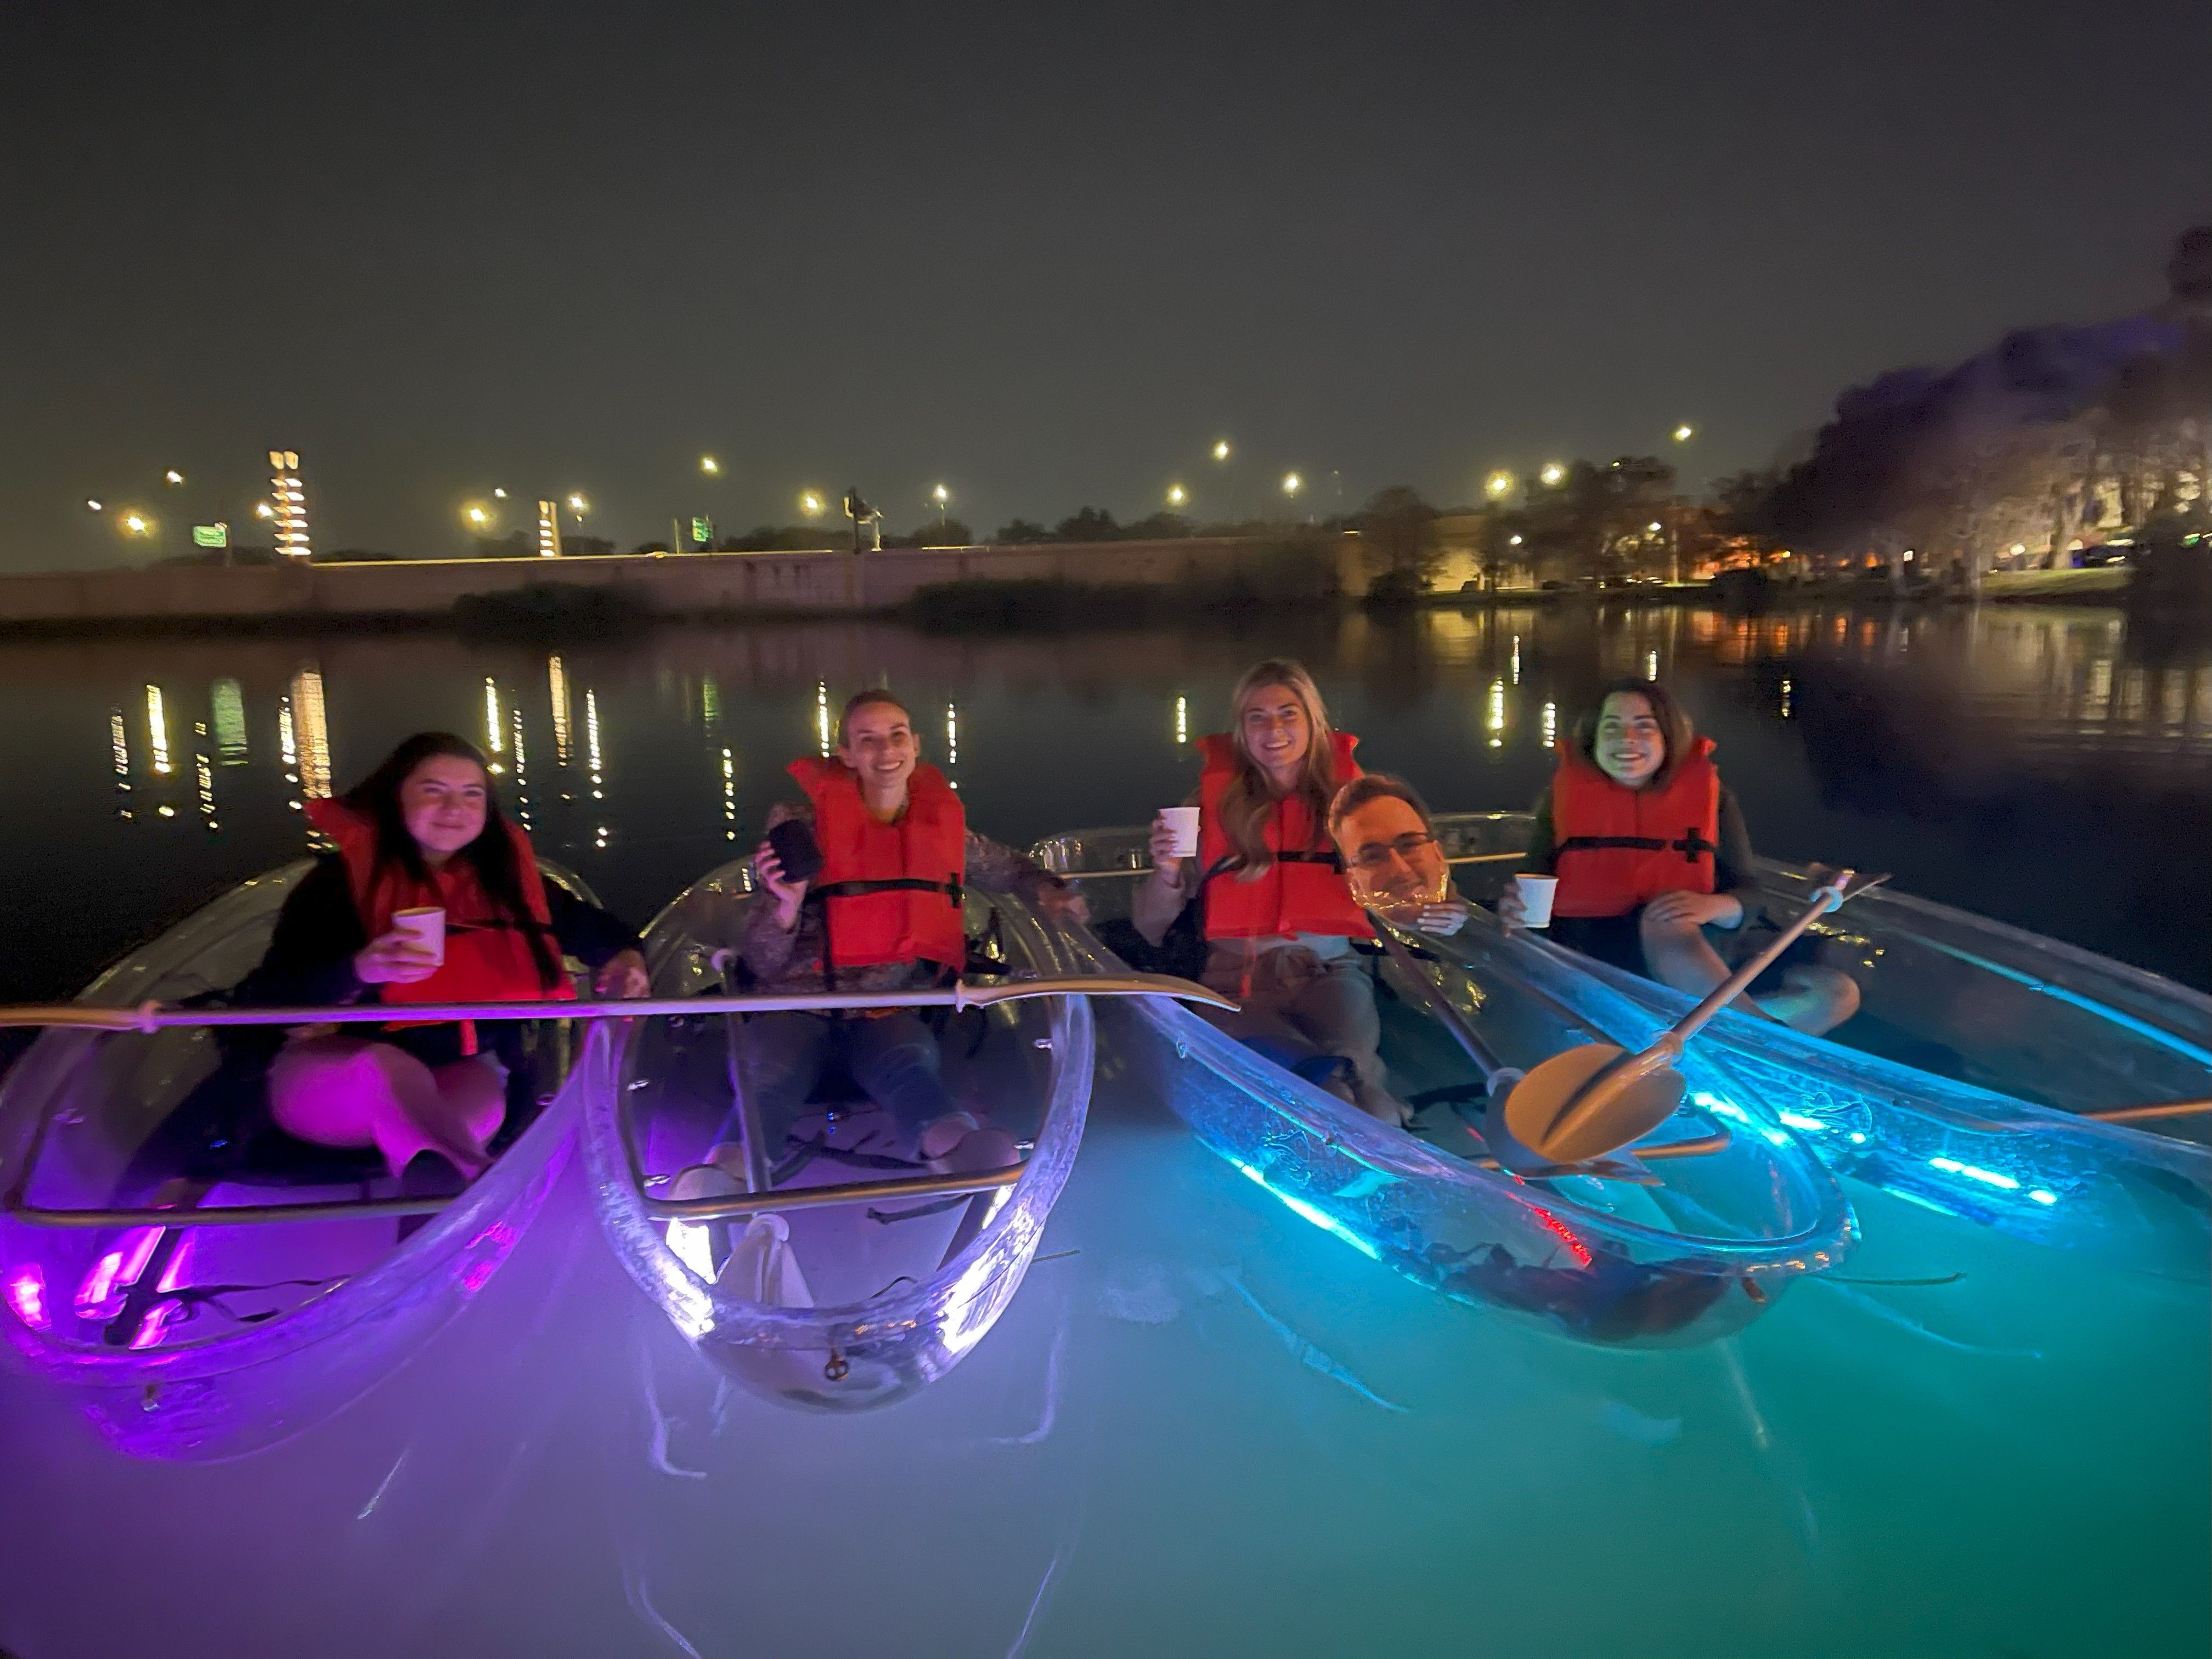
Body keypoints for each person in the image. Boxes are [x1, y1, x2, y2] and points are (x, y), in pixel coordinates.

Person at [238, 732, 648, 1195]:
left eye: (472, 794)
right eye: (434, 791)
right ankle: (492, 1197)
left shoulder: (506, 886)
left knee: (457, 1126)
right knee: (384, 1067)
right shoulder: (333, 886)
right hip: (329, 1080)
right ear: (396, 797)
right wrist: (360, 970)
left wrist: (627, 954)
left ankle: (443, 1207)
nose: (455, 808)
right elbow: (268, 998)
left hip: (457, 1069)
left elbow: (599, 931)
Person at [711, 689, 1087, 1167]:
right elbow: (763, 961)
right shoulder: (802, 833)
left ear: (915, 745)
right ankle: (723, 1175)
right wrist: (786, 905)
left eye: (897, 735)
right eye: (867, 739)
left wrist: (1049, 889)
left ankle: (964, 1153)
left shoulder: (941, 830)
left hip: (885, 1007)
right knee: (768, 1080)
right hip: (792, 1006)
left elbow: (1011, 869)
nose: (886, 751)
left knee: (911, 1070)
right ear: (846, 755)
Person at [1131, 659, 1415, 1124]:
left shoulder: (1355, 807)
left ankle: (1387, 1148)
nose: (1274, 730)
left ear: (1313, 722)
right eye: (1257, 717)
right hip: (1235, 984)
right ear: (1242, 731)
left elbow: (1403, 891)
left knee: (1361, 1086)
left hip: (1330, 975)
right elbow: (1151, 927)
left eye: (1288, 714)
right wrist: (1166, 871)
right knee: (1324, 1086)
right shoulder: (1206, 807)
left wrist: (1438, 908)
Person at [1498, 679, 1859, 1036]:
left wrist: (1712, 906)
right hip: (1602, 964)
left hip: (1702, 964)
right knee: (1664, 919)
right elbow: (1531, 891)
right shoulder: (1561, 802)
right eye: (1612, 727)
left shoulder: (1714, 799)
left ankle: (1738, 1034)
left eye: (1644, 727)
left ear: (1667, 739)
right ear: (1594, 740)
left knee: (1838, 994)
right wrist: (1514, 909)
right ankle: (1757, 1038)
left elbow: (1748, 892)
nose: (1627, 739)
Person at [1325, 773, 1471, 937]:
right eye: (1373, 857)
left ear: (1438, 855)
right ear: (1355, 885)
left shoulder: (1483, 927)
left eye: (1409, 845)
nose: (1402, 869)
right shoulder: (1337, 945)